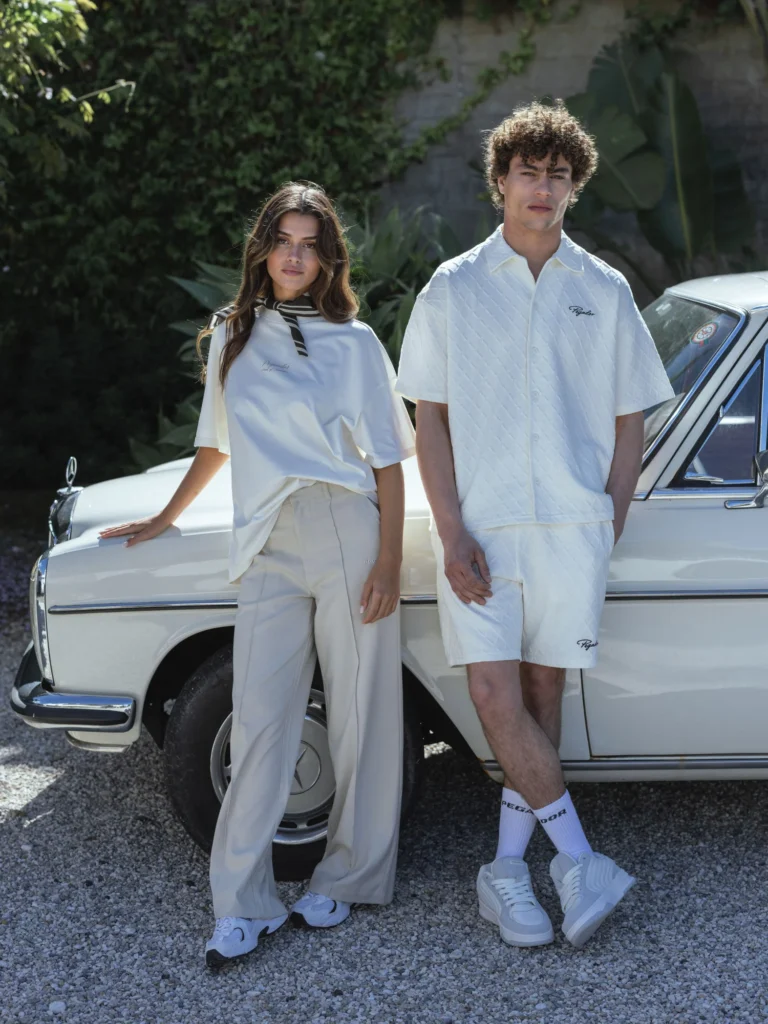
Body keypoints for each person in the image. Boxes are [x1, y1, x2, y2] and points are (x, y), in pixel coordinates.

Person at [100, 182, 416, 967]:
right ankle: (243, 902)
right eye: (284, 241)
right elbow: (216, 444)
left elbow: (386, 461)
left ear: (328, 257)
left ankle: (350, 876)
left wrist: (387, 561)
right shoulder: (233, 336)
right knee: (260, 720)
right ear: (264, 249)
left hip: (347, 529)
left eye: (311, 245)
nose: (295, 257)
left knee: (362, 711)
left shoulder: (356, 343)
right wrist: (166, 517)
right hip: (269, 542)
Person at [395, 101, 674, 949]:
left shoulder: (604, 288)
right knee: (493, 694)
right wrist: (450, 532)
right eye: (529, 172)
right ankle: (581, 859)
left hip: (571, 531)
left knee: (543, 695)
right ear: (501, 181)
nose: (542, 188)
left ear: (573, 186)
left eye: (558, 175)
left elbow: (630, 418)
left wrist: (607, 521)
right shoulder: (453, 286)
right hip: (481, 532)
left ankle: (508, 870)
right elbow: (430, 419)